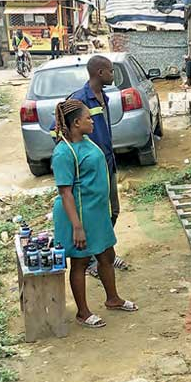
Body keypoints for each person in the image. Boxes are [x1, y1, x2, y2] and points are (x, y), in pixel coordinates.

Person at [51, 99, 138, 328]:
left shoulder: (87, 141)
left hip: (97, 213)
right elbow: (65, 193)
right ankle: (83, 312)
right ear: (77, 123)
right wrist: (77, 227)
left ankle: (113, 299)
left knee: (106, 256)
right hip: (77, 215)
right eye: (88, 118)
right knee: (80, 263)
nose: (92, 120)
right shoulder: (63, 152)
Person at [49, 55, 129, 277]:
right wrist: (76, 159)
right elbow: (56, 131)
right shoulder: (79, 100)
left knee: (112, 211)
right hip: (89, 172)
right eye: (111, 71)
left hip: (106, 165)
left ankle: (101, 252)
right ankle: (94, 257)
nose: (113, 75)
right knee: (94, 214)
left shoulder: (104, 97)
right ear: (100, 73)